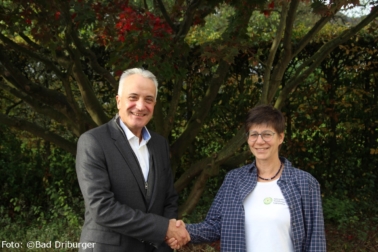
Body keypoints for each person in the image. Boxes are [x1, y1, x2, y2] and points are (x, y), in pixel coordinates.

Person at [168, 105, 326, 251]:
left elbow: (316, 239)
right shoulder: (234, 180)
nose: (259, 141)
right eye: (254, 134)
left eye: (267, 134)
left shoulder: (305, 183)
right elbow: (214, 226)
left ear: (281, 137)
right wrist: (186, 232)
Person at [76, 68, 190, 252]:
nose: (140, 105)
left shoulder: (159, 144)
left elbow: (169, 199)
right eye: (133, 97)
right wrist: (163, 228)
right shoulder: (93, 142)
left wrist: (170, 234)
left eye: (148, 99)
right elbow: (102, 208)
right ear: (118, 101)